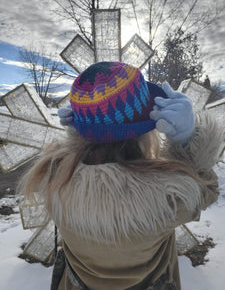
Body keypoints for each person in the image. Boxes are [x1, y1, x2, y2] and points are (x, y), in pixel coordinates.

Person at [19, 62, 224, 290]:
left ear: (79, 130)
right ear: (144, 131)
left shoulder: (54, 182)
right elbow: (208, 188)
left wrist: (76, 136)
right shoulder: (168, 198)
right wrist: (188, 141)